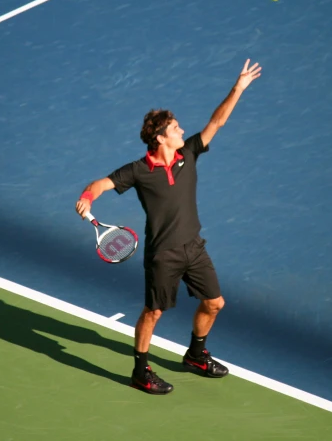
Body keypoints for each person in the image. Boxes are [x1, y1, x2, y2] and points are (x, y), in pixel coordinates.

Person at [75, 59, 261, 394]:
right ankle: (140, 370)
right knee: (153, 312)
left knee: (215, 303)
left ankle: (195, 354)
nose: (181, 131)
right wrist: (88, 196)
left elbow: (216, 122)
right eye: (175, 128)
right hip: (164, 255)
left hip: (194, 247)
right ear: (161, 137)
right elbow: (102, 183)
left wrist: (238, 88)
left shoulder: (188, 154)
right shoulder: (138, 171)